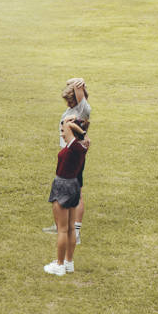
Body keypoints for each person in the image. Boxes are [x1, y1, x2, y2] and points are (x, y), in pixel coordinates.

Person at [42, 78, 91, 244]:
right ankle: (62, 225)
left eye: (70, 100)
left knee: (76, 190)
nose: (68, 103)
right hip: (67, 152)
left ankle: (75, 232)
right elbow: (72, 82)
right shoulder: (74, 109)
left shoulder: (83, 109)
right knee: (65, 190)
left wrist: (80, 82)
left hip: (73, 153)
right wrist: (76, 80)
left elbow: (78, 88)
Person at [44, 116, 89, 276]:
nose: (62, 134)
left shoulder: (73, 146)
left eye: (64, 131)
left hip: (63, 185)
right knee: (70, 229)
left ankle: (60, 264)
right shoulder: (84, 145)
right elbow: (78, 130)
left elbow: (69, 126)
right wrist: (75, 121)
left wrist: (69, 122)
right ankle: (69, 262)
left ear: (72, 132)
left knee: (62, 230)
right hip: (74, 186)